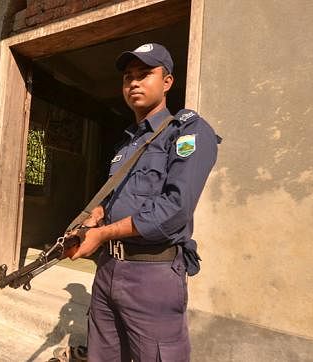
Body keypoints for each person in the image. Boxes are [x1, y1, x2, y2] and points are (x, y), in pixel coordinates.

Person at [68, 43, 219, 361]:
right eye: (128, 77)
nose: (134, 83)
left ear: (167, 82)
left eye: (144, 74)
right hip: (107, 270)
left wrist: (102, 235)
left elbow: (174, 210)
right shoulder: (127, 143)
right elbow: (115, 198)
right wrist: (93, 218)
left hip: (152, 274)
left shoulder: (188, 133)